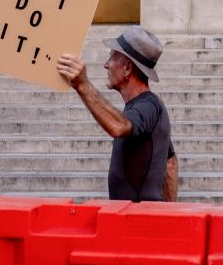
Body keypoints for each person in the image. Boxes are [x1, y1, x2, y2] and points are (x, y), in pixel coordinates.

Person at [56, 26, 178, 202]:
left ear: (127, 68)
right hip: (136, 219)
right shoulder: (148, 107)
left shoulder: (148, 106)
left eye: (112, 57)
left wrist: (82, 85)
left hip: (136, 221)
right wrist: (168, 213)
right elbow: (170, 163)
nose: (106, 64)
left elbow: (119, 126)